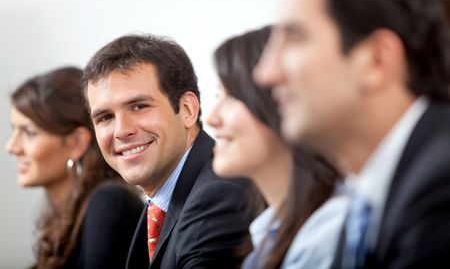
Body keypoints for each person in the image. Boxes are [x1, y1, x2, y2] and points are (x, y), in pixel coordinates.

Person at [254, 0, 450, 268]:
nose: (265, 74)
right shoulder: (370, 195)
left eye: (293, 38)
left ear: (376, 60)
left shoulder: (439, 190)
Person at [81, 34, 252, 268]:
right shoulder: (160, 201)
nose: (121, 131)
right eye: (105, 117)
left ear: (187, 110)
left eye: (139, 107)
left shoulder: (217, 196)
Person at [208, 25, 341, 269]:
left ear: (282, 104)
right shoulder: (266, 234)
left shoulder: (325, 237)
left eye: (232, 97)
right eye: (218, 96)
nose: (211, 118)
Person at [5, 67, 143, 269]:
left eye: (29, 132)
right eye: (14, 130)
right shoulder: (64, 214)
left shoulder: (109, 203)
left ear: (76, 143)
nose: (11, 147)